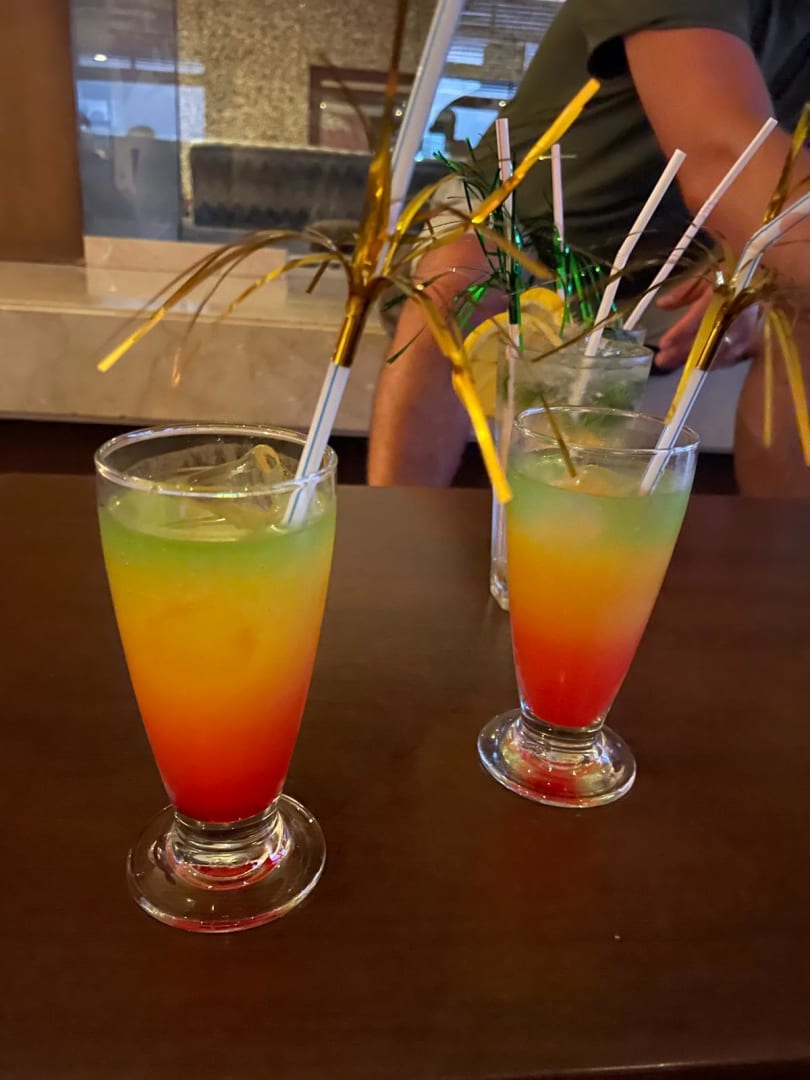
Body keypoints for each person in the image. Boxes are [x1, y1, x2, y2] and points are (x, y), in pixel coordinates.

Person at [368, 0, 810, 495]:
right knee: (460, 275)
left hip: (667, 257)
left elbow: (782, 188)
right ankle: (394, 520)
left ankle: (785, 535)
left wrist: (749, 266)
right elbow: (722, 150)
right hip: (513, 210)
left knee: (794, 308)